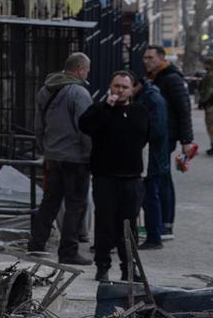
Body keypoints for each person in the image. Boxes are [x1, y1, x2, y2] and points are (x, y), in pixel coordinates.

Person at [79, 70, 151, 284]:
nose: (120, 90)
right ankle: (102, 266)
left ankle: (129, 267)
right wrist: (106, 107)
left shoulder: (140, 111)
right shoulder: (100, 109)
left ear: (132, 90)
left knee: (129, 226)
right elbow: (86, 126)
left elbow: (145, 137)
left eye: (124, 87)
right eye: (116, 86)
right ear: (110, 87)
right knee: (105, 223)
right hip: (105, 177)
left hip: (132, 178)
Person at [29, 52, 94, 265]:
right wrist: (91, 154)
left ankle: (36, 245)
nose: (87, 74)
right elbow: (86, 129)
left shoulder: (45, 90)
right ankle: (68, 251)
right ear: (80, 70)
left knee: (49, 203)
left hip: (53, 156)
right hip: (76, 158)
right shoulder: (79, 93)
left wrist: (46, 149)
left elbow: (38, 126)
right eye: (87, 70)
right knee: (75, 205)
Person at [141, 47, 196, 239]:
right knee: (162, 176)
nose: (146, 61)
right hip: (160, 134)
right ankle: (163, 223)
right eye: (144, 57)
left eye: (150, 57)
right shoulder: (154, 78)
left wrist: (187, 141)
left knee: (161, 177)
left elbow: (183, 109)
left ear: (161, 58)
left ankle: (165, 224)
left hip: (167, 135)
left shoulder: (171, 79)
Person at [139, 72, 171, 250]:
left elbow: (156, 131)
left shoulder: (151, 99)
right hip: (153, 157)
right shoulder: (150, 97)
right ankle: (153, 235)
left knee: (150, 197)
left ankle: (154, 237)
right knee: (149, 197)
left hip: (151, 158)